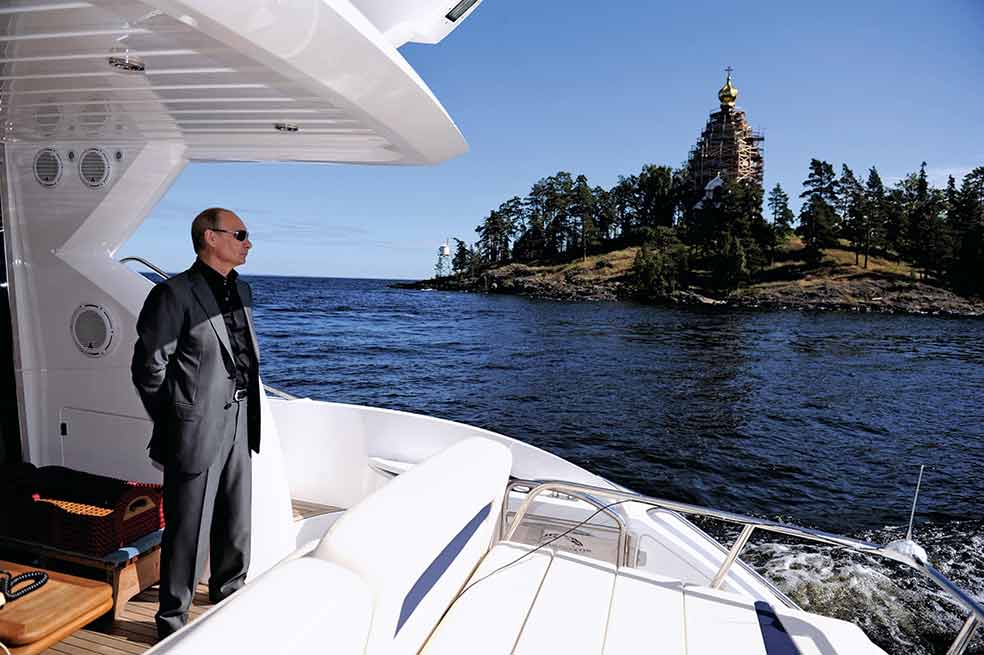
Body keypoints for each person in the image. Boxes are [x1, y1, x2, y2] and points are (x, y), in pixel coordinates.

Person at [131, 207, 261, 639]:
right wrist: (180, 417)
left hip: (241, 418)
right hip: (196, 425)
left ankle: (231, 599)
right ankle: (172, 624)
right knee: (188, 530)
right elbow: (148, 367)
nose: (248, 242)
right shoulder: (174, 294)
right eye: (240, 234)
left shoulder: (241, 291)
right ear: (210, 237)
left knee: (235, 522)